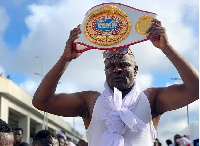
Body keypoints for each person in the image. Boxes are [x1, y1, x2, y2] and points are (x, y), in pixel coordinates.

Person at [32, 18, 199, 146]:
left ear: (136, 70)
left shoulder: (150, 99)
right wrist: (65, 59)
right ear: (105, 72)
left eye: (124, 64)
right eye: (110, 66)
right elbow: (41, 102)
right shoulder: (91, 102)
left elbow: (196, 89)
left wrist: (166, 47)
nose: (117, 69)